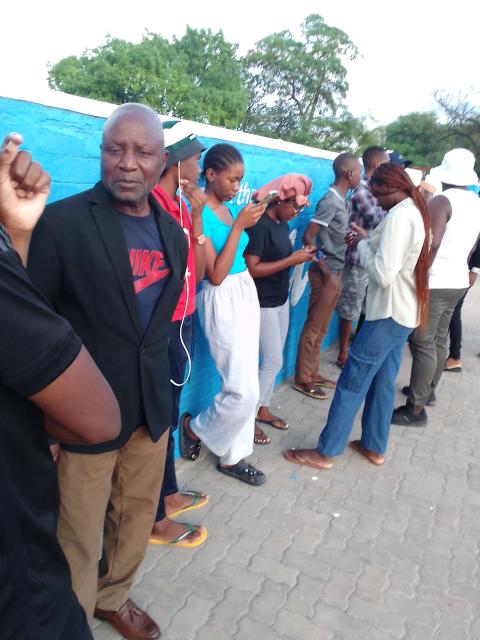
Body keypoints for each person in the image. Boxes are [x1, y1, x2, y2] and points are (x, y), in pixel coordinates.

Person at [28, 104, 188, 640]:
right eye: (114, 149)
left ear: (160, 160)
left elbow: (156, 331)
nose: (126, 163)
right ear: (101, 152)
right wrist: (41, 423)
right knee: (76, 531)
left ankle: (113, 597)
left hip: (149, 407)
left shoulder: (174, 234)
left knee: (136, 520)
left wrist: (162, 405)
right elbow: (36, 326)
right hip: (82, 416)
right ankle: (71, 619)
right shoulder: (62, 222)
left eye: (142, 152)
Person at [0, 133, 121, 639]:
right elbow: (97, 418)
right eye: (116, 149)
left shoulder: (171, 224)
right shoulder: (72, 219)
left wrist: (16, 237)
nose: (128, 163)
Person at [283, 162, 430, 469]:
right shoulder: (411, 211)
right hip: (403, 313)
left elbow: (382, 273)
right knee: (383, 382)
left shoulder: (401, 216)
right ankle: (374, 446)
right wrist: (368, 238)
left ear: (390, 187)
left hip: (387, 315)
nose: (375, 199)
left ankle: (326, 452)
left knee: (352, 382)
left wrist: (362, 244)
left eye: (377, 193)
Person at [179, 143, 267, 485]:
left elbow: (236, 258)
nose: (236, 186)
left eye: (240, 180)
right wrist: (239, 227)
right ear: (210, 174)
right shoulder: (197, 212)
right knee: (241, 390)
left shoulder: (230, 210)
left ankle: (233, 457)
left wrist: (242, 220)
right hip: (221, 296)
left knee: (250, 384)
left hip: (244, 290)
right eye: (232, 179)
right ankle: (195, 427)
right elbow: (213, 274)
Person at [149, 121, 208, 547]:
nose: (199, 166)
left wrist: (199, 214)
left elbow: (199, 273)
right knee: (156, 419)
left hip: (182, 318)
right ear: (174, 159)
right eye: (195, 157)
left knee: (169, 414)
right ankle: (151, 517)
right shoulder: (150, 204)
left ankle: (167, 494)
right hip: (161, 325)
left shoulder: (183, 205)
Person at [393, 148, 480, 426]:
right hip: (457, 279)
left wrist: (419, 273)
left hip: (436, 279)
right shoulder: (476, 203)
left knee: (421, 341)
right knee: (439, 339)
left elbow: (432, 240)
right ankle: (426, 391)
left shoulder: (442, 200)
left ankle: (415, 409)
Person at [244, 174, 316, 444]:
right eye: (295, 207)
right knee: (272, 360)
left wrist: (299, 256)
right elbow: (252, 269)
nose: (296, 213)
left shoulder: (279, 223)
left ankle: (263, 409)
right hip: (261, 302)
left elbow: (282, 257)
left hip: (279, 299)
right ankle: (247, 420)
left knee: (275, 361)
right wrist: (291, 260)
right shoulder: (259, 225)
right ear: (279, 200)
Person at [293, 153, 362, 399]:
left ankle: (312, 372)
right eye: (359, 171)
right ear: (349, 174)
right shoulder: (330, 201)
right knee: (314, 327)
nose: (361, 176)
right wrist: (324, 270)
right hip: (326, 274)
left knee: (321, 328)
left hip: (335, 270)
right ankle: (303, 379)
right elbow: (308, 238)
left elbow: (328, 234)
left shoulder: (341, 199)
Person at [336, 146, 389, 368]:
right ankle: (343, 354)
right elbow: (380, 220)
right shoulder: (363, 191)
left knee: (363, 305)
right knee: (351, 305)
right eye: (386, 164)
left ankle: (352, 348)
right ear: (376, 165)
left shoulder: (374, 189)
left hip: (368, 255)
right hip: (357, 258)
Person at [443, 238, 480, 372]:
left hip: (463, 269)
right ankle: (452, 355)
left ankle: (454, 357)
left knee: (454, 310)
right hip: (459, 267)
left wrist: (474, 270)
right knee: (453, 310)